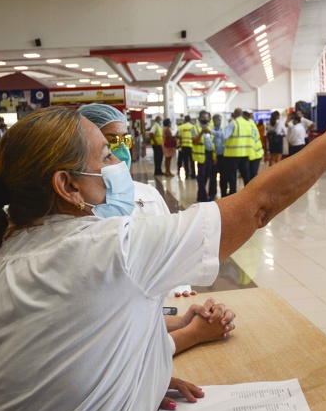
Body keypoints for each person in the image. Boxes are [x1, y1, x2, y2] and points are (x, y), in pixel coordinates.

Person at [0, 98, 326, 411]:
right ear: (68, 185)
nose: (118, 165)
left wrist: (140, 379)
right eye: (106, 155)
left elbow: (75, 345)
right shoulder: (110, 248)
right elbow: (257, 206)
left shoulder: (2, 258)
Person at [77, 103, 224, 325]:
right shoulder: (78, 203)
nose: (121, 149)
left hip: (164, 312)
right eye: (111, 142)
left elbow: (174, 251)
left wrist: (181, 291)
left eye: (124, 139)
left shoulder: (148, 195)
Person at [221, 108, 253, 196]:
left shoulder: (233, 123)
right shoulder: (248, 124)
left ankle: (233, 193)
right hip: (245, 153)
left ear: (234, 114)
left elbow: (224, 136)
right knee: (246, 175)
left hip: (233, 154)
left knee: (232, 175)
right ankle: (250, 193)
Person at [191, 110, 214, 203]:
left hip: (209, 154)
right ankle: (204, 198)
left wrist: (214, 155)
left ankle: (200, 194)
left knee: (206, 176)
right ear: (199, 118)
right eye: (203, 117)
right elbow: (194, 141)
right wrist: (201, 132)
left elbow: (213, 142)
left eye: (206, 117)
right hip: (200, 155)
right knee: (200, 177)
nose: (205, 119)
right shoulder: (194, 128)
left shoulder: (211, 127)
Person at [209, 114, 226, 199]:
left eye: (220, 120)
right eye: (217, 120)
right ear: (214, 120)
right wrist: (214, 155)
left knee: (224, 176)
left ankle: (224, 194)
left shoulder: (223, 130)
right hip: (215, 156)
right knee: (213, 176)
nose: (219, 121)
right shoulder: (210, 131)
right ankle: (212, 194)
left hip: (223, 156)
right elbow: (211, 144)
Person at [243, 111, 263, 180]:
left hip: (254, 153)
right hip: (254, 153)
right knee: (252, 174)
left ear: (245, 117)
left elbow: (251, 140)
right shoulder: (251, 123)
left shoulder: (249, 125)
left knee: (252, 174)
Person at [177, 115, 196, 180]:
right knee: (192, 161)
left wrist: (180, 145)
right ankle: (193, 174)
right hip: (191, 146)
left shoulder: (181, 127)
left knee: (185, 161)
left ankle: (186, 174)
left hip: (184, 146)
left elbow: (179, 137)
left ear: (184, 120)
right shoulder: (193, 126)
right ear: (190, 120)